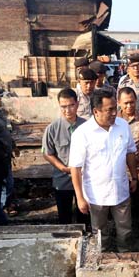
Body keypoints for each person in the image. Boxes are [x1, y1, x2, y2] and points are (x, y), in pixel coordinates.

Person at [69, 90, 137, 252]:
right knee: (99, 233)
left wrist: (134, 177)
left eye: (115, 108)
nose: (114, 113)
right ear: (95, 111)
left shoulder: (123, 126)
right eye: (109, 110)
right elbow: (76, 168)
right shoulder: (82, 134)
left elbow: (130, 152)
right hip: (96, 194)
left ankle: (125, 257)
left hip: (121, 191)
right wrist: (79, 197)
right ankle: (102, 258)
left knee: (125, 230)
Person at [42, 88, 87, 224]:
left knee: (84, 215)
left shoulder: (87, 126)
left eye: (71, 105)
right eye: (63, 107)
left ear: (77, 104)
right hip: (62, 180)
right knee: (64, 216)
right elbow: (47, 153)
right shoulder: (53, 128)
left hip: (85, 179)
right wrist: (61, 167)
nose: (67, 110)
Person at [118, 87, 139, 236]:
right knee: (121, 207)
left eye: (132, 102)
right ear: (119, 102)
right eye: (125, 103)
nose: (129, 106)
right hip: (119, 171)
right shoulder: (115, 121)